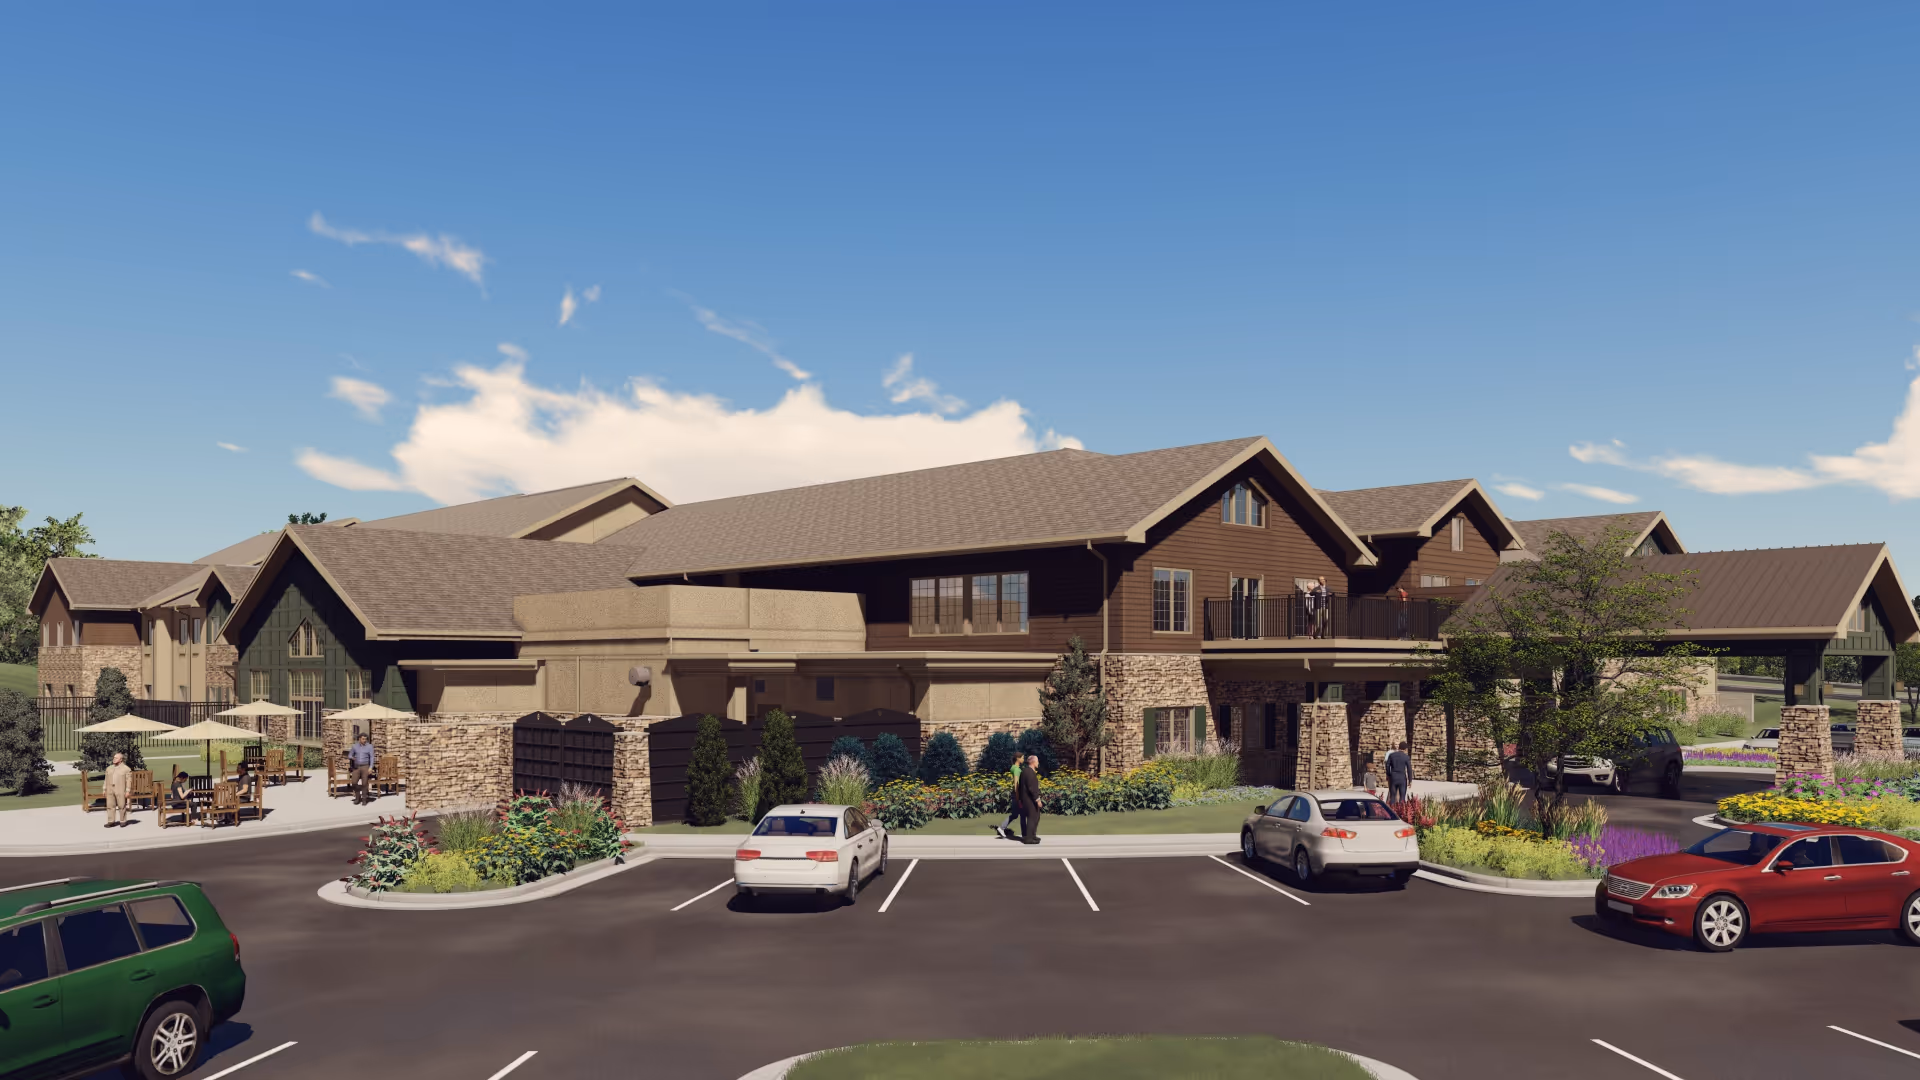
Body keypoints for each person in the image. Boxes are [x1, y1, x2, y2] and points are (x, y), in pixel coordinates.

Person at [992, 751, 1024, 839]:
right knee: (1022, 814)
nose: (1023, 759)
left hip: (1015, 794)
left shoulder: (1013, 767)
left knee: (1015, 814)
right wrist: (1018, 797)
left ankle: (1002, 828)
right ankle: (1025, 834)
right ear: (1018, 758)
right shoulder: (1017, 769)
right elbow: (1016, 783)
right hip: (1017, 794)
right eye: (1022, 757)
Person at [1016, 754, 1043, 845]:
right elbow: (1031, 788)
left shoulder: (1026, 771)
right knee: (1032, 818)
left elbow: (1020, 787)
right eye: (1037, 761)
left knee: (1035, 817)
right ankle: (1028, 838)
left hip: (1026, 799)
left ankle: (1032, 836)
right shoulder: (1029, 772)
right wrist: (1037, 799)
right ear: (1033, 762)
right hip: (1029, 800)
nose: (1038, 763)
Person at [104, 751, 133, 828]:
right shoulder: (109, 768)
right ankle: (111, 821)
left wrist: (127, 791)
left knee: (121, 805)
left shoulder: (126, 769)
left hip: (120, 788)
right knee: (110, 805)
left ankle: (123, 821)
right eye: (114, 757)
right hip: (110, 788)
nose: (114, 759)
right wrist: (104, 789)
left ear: (121, 760)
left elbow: (129, 781)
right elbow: (106, 780)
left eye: (116, 758)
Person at [348, 734, 377, 804]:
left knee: (364, 783)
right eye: (363, 739)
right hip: (356, 767)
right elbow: (349, 755)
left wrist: (370, 767)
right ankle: (358, 798)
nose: (365, 740)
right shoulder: (355, 746)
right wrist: (352, 757)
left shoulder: (369, 746)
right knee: (354, 783)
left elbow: (372, 758)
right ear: (359, 739)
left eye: (365, 739)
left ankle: (364, 799)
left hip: (365, 766)